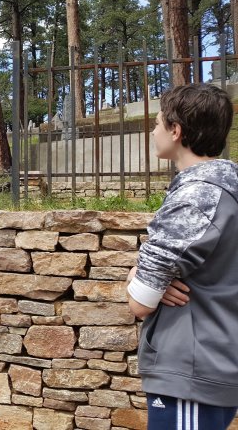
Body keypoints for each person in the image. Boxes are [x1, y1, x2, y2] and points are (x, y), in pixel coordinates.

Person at [127, 83, 238, 430]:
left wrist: (139, 276)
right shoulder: (226, 190)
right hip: (213, 362)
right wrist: (154, 278)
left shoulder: (195, 199)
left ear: (176, 130)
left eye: (157, 123)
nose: (153, 131)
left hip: (191, 371)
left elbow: (140, 302)